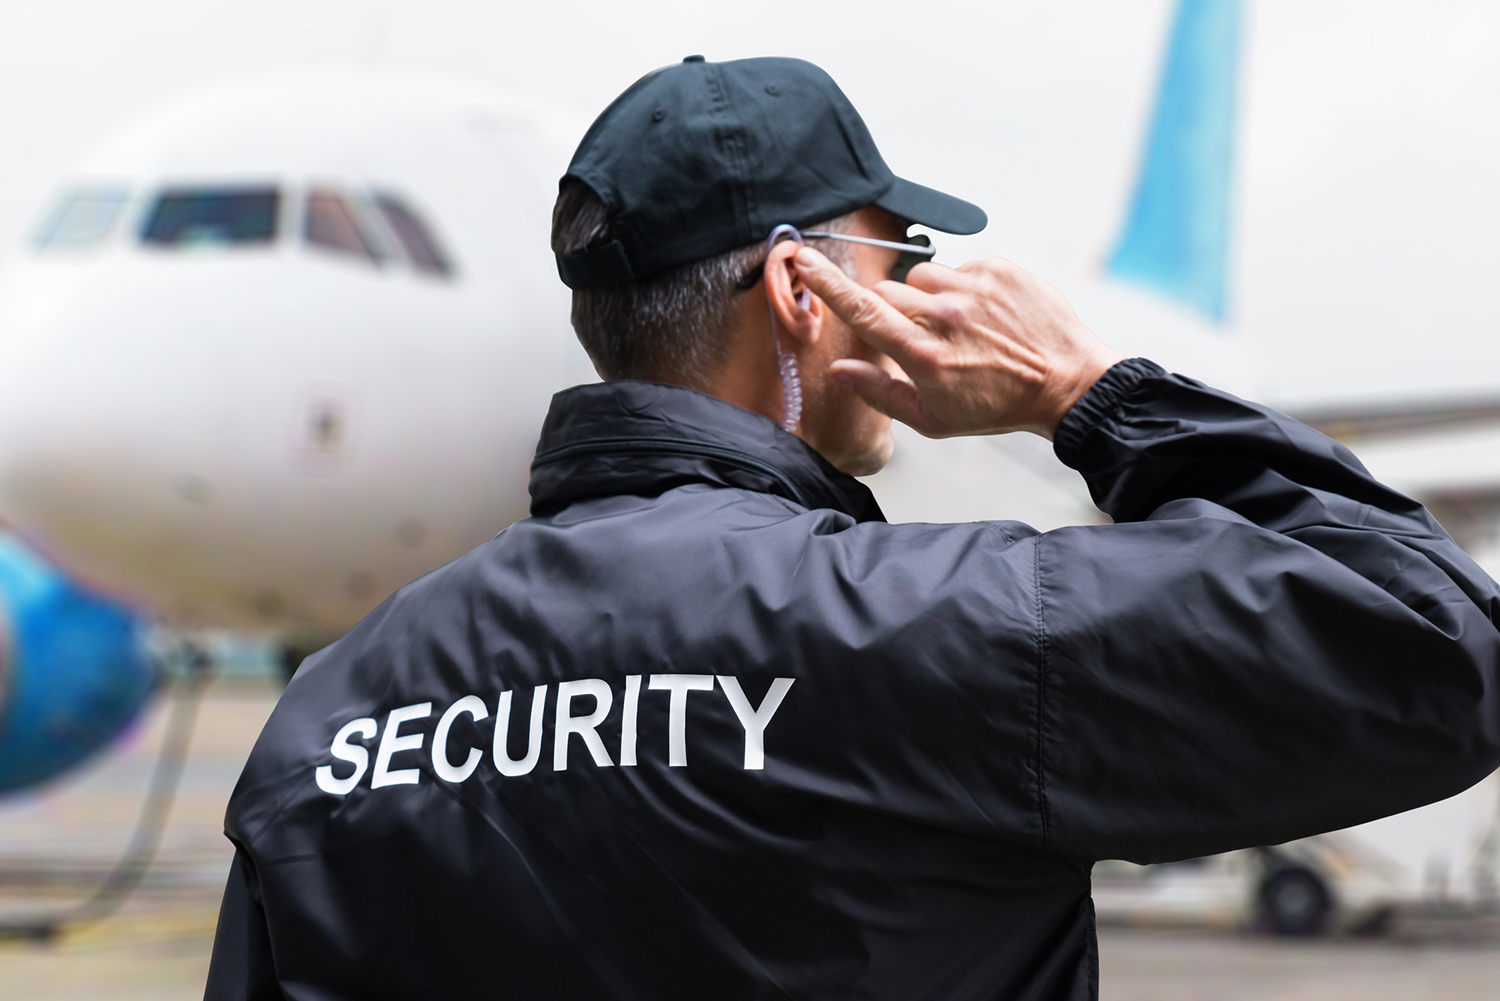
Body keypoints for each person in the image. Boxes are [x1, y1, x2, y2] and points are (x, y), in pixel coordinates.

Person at [205, 56, 1500, 1001]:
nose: (924, 291)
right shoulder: (934, 626)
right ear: (800, 291)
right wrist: (1089, 394)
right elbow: (1436, 644)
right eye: (904, 258)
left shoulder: (331, 712)